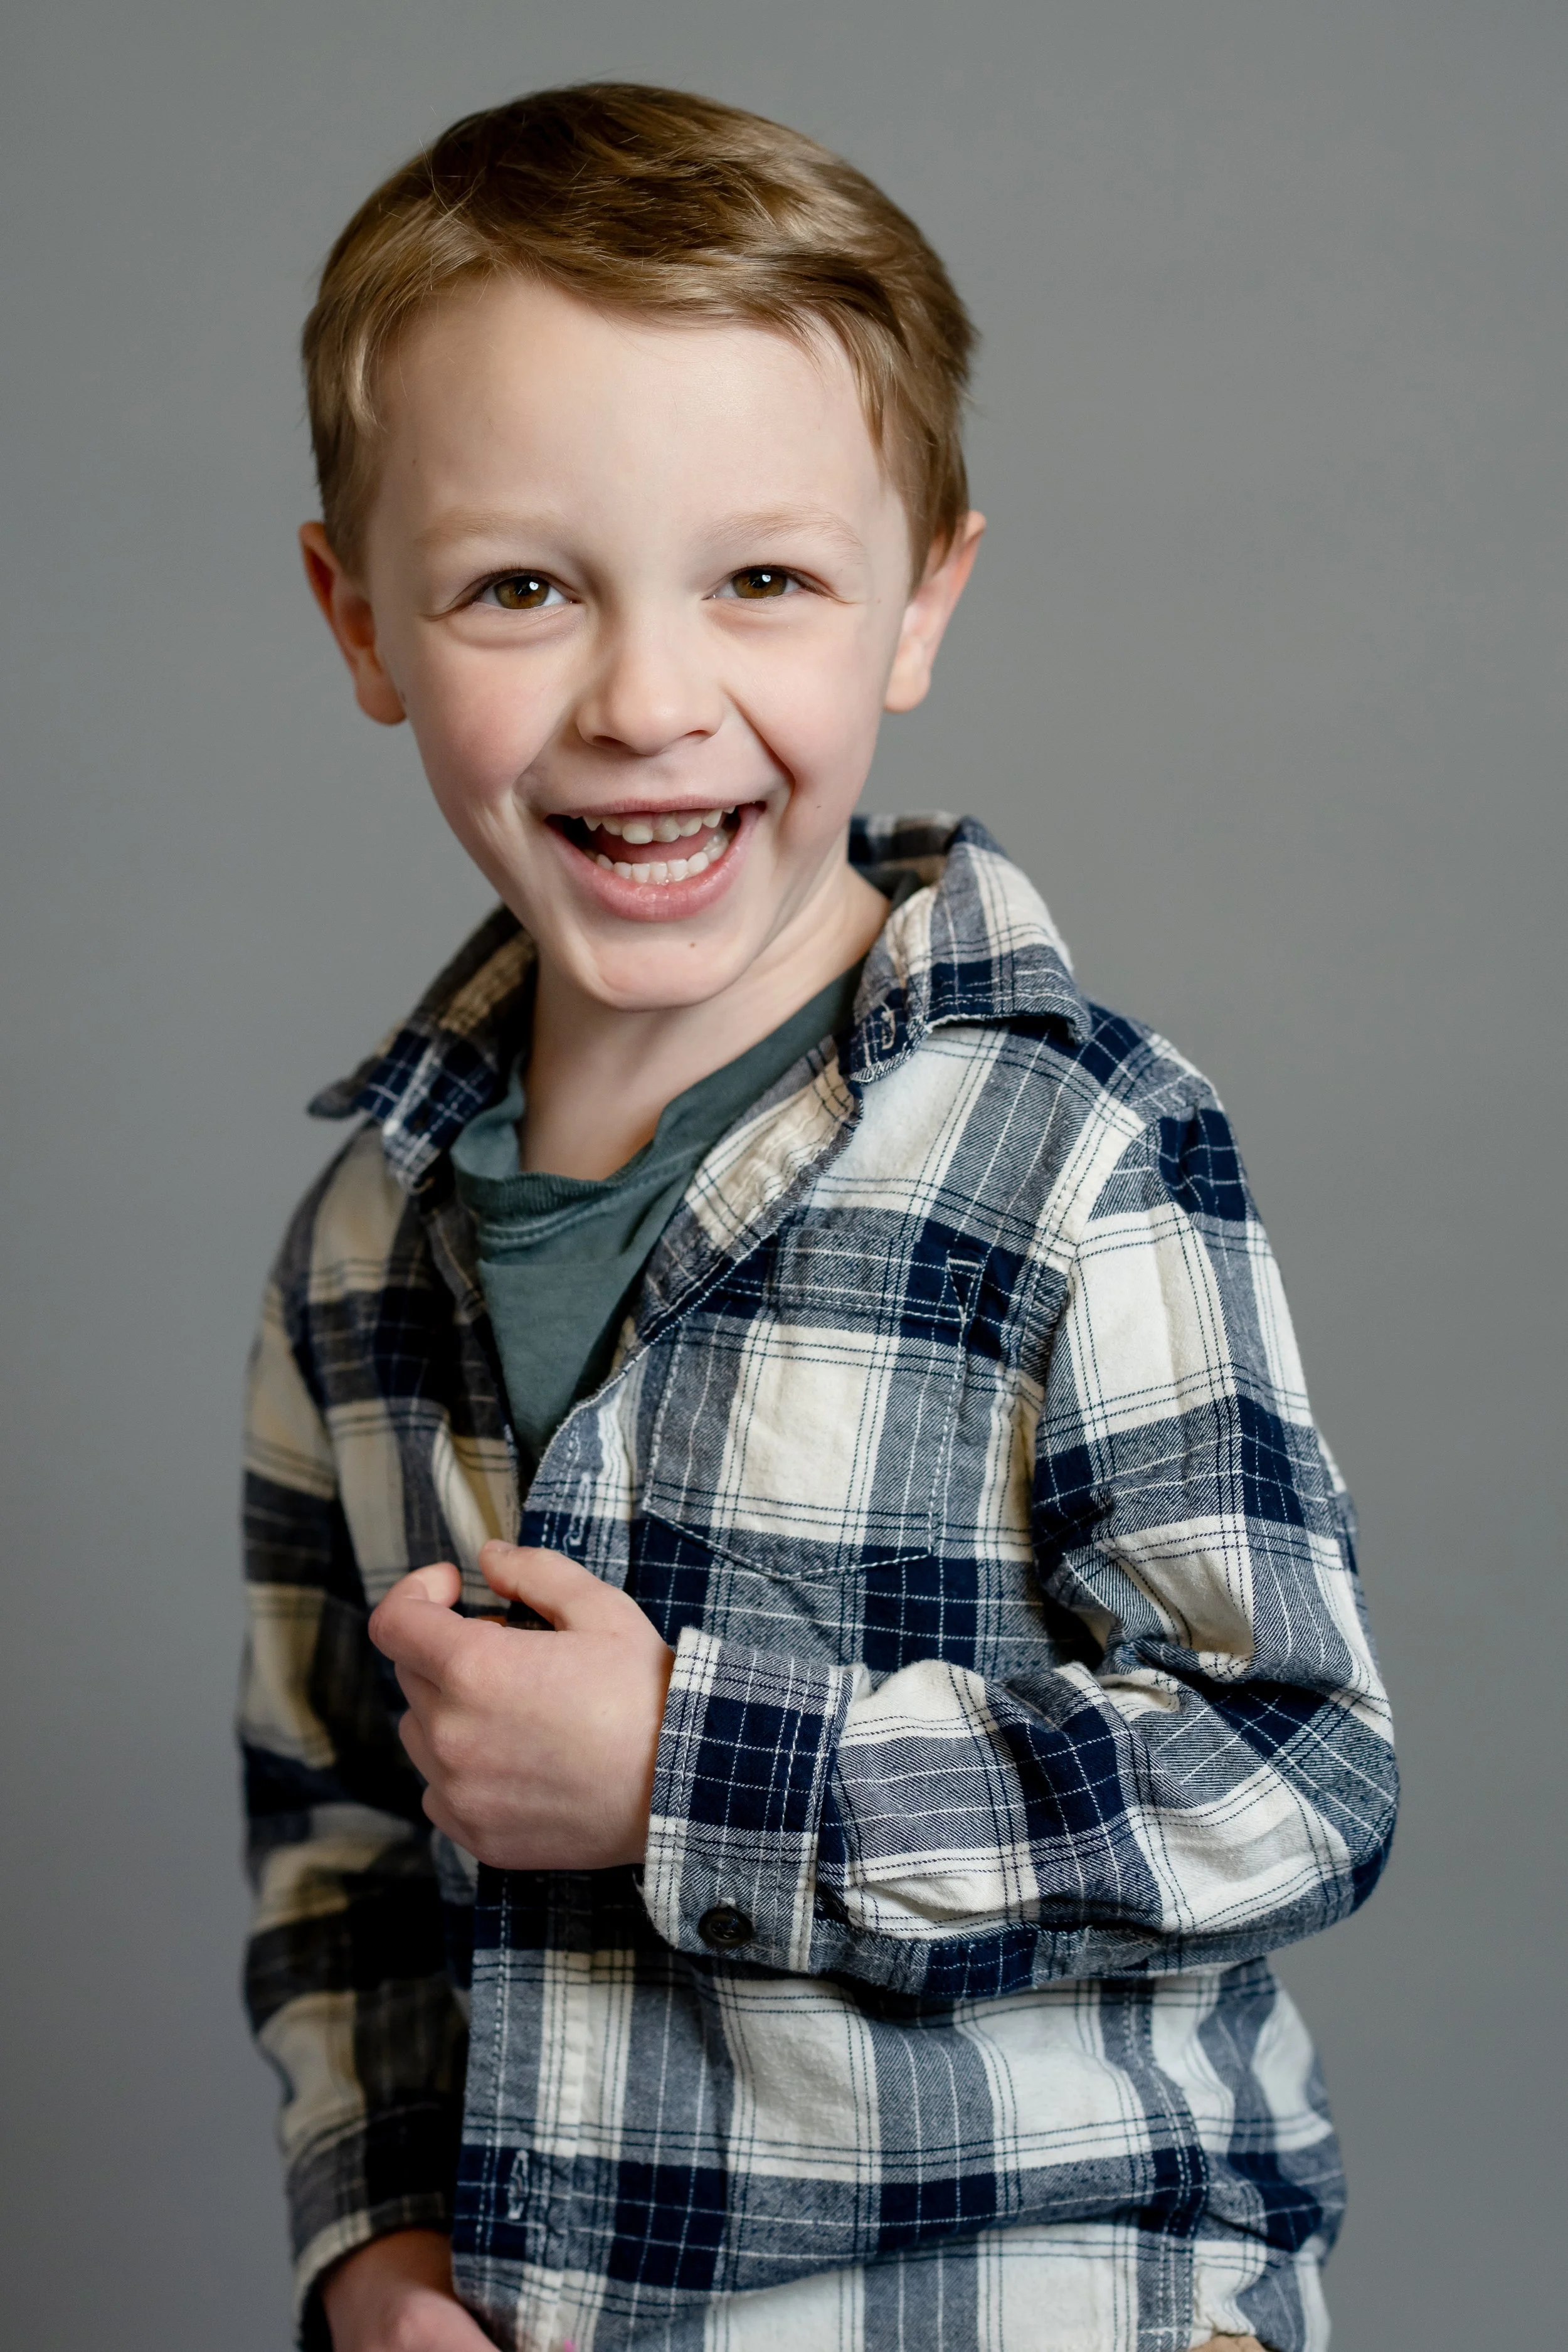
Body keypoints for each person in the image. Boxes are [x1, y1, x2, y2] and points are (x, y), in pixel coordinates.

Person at [241, 83, 1396, 2352]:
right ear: (358, 617)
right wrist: (371, 2244)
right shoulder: (360, 1239)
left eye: (760, 577)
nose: (649, 700)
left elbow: (1291, 1768)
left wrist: (690, 1766)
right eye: (517, 585)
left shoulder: (1075, 1145)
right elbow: (340, 1839)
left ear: (917, 603)